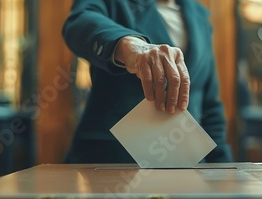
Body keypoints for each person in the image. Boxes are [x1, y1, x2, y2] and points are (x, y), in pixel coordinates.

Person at [62, 0, 232, 163]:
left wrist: (224, 169)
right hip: (114, 162)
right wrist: (131, 47)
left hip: (188, 166)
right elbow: (79, 22)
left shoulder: (199, 15)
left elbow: (209, 105)